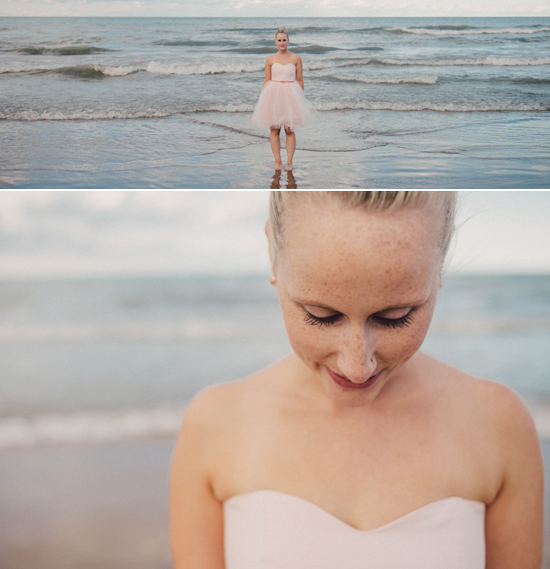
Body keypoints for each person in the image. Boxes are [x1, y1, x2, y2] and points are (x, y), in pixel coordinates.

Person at [170, 191, 544, 569]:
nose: (357, 367)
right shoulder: (215, 424)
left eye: (396, 316)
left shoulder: (498, 425)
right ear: (272, 254)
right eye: (321, 314)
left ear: (440, 266)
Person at [252, 28, 310, 171]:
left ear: (288, 41)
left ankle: (289, 163)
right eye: (279, 40)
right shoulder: (270, 59)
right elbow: (266, 80)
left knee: (289, 130)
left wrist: (299, 100)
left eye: (284, 40)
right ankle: (278, 162)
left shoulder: (296, 58)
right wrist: (264, 100)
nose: (282, 43)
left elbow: (300, 80)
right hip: (273, 95)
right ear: (275, 42)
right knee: (274, 129)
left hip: (291, 95)